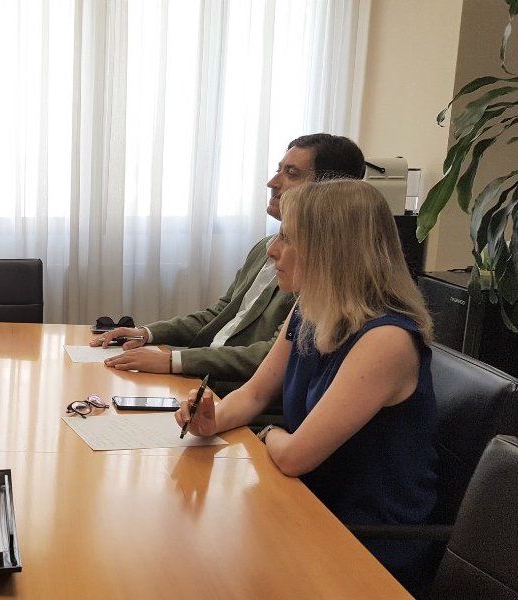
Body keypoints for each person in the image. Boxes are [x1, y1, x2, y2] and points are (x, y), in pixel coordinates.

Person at [176, 179, 437, 589]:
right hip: (304, 504)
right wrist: (212, 419)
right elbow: (254, 393)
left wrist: (267, 432)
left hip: (363, 542)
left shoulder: (386, 340)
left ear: (331, 250)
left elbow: (296, 457)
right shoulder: (310, 308)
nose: (272, 249)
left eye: (288, 237)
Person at [94, 133, 366, 396]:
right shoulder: (265, 247)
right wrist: (146, 333)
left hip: (233, 390)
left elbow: (272, 357)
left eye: (291, 173)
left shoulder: (329, 268)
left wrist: (173, 360)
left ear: (329, 190)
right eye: (278, 170)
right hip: (203, 377)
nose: (272, 182)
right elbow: (220, 313)